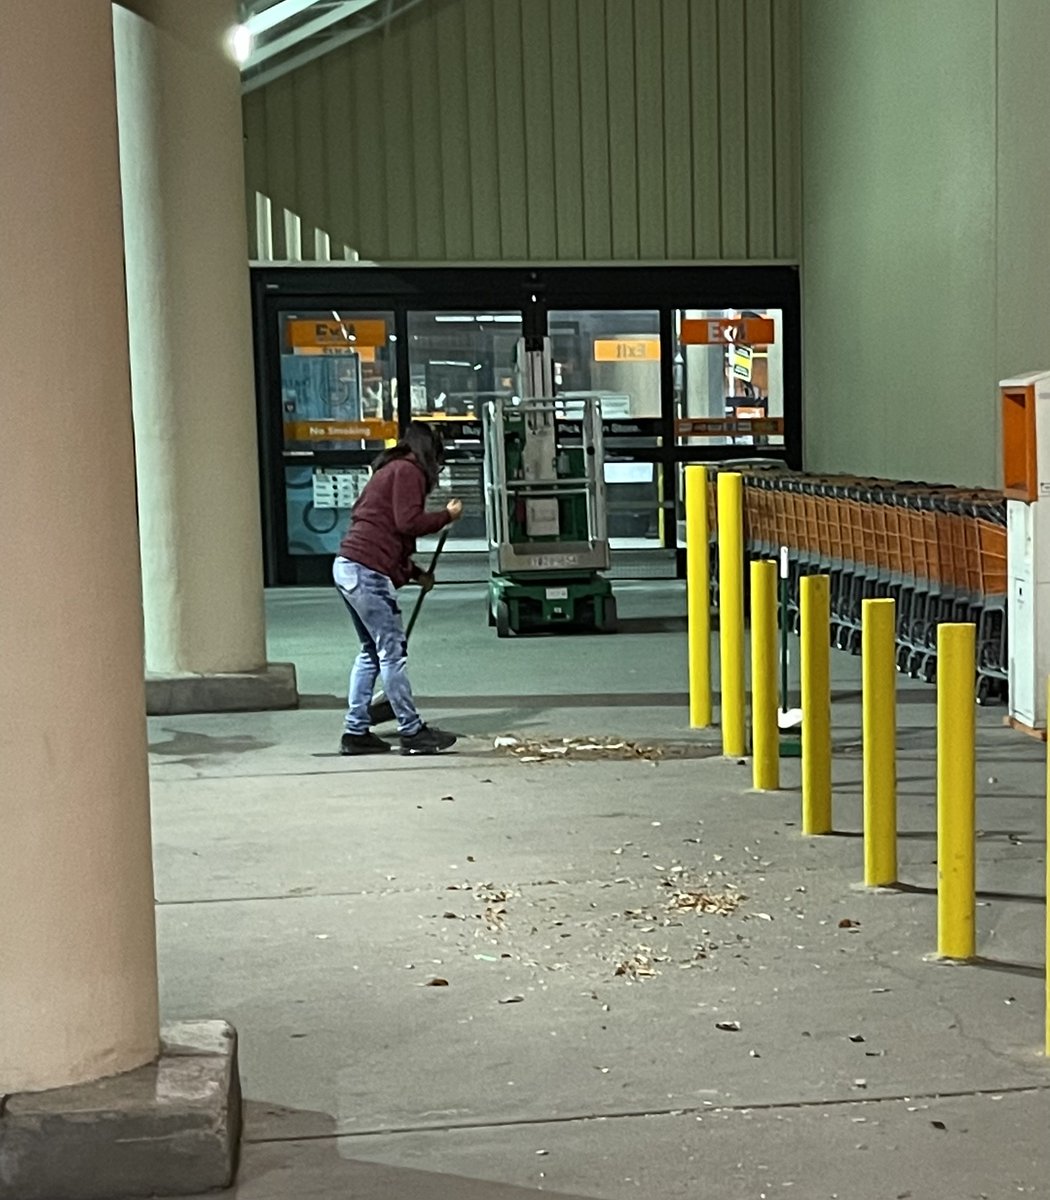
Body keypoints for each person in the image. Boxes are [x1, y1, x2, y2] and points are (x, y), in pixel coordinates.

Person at [333, 422, 463, 756]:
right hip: (367, 570)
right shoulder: (409, 471)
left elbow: (388, 532)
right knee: (391, 652)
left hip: (350, 564)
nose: (437, 468)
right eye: (439, 460)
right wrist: (446, 516)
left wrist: (416, 574)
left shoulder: (389, 470)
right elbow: (408, 522)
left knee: (371, 652)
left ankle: (356, 731)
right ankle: (411, 730)